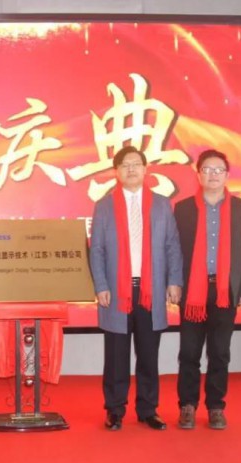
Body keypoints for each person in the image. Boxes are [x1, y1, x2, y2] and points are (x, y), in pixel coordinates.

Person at [89, 146, 183, 431]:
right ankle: (115, 410)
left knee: (148, 354)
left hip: (150, 291)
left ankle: (148, 409)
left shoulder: (162, 205)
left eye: (136, 164)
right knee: (116, 356)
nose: (131, 169)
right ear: (116, 172)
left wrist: (174, 280)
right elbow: (97, 249)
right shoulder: (104, 206)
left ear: (145, 169)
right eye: (125, 165)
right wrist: (101, 285)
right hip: (117, 291)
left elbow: (172, 245)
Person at [173, 149, 241, 430]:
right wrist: (173, 283)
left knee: (220, 352)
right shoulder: (183, 209)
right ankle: (187, 406)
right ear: (198, 175)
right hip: (192, 293)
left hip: (225, 291)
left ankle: (216, 407)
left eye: (218, 170)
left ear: (226, 175)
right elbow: (174, 251)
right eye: (207, 170)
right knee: (189, 352)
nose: (212, 174)